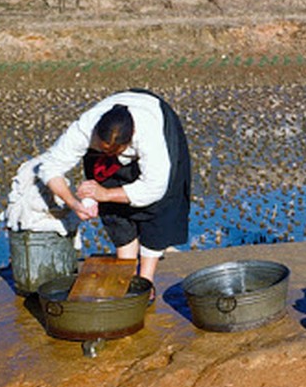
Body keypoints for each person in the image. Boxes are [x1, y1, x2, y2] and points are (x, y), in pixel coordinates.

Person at [34, 89, 191, 298]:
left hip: (155, 114)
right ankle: (125, 273)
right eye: (103, 148)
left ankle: (145, 283)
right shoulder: (85, 128)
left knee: (159, 210)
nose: (108, 153)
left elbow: (154, 189)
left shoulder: (150, 135)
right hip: (113, 127)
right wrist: (73, 203)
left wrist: (105, 193)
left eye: (114, 151)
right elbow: (50, 167)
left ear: (129, 142)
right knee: (113, 209)